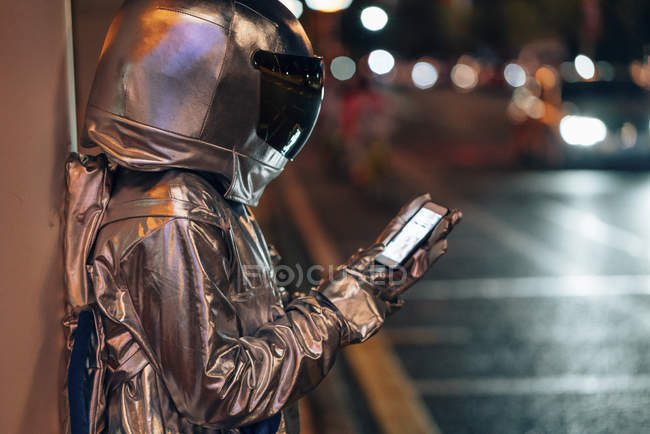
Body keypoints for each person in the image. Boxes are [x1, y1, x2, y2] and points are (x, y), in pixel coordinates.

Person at [62, 1, 462, 433]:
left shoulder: (207, 196)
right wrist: (353, 296)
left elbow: (259, 323)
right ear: (205, 85)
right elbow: (223, 391)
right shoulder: (171, 214)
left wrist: (372, 279)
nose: (283, 116)